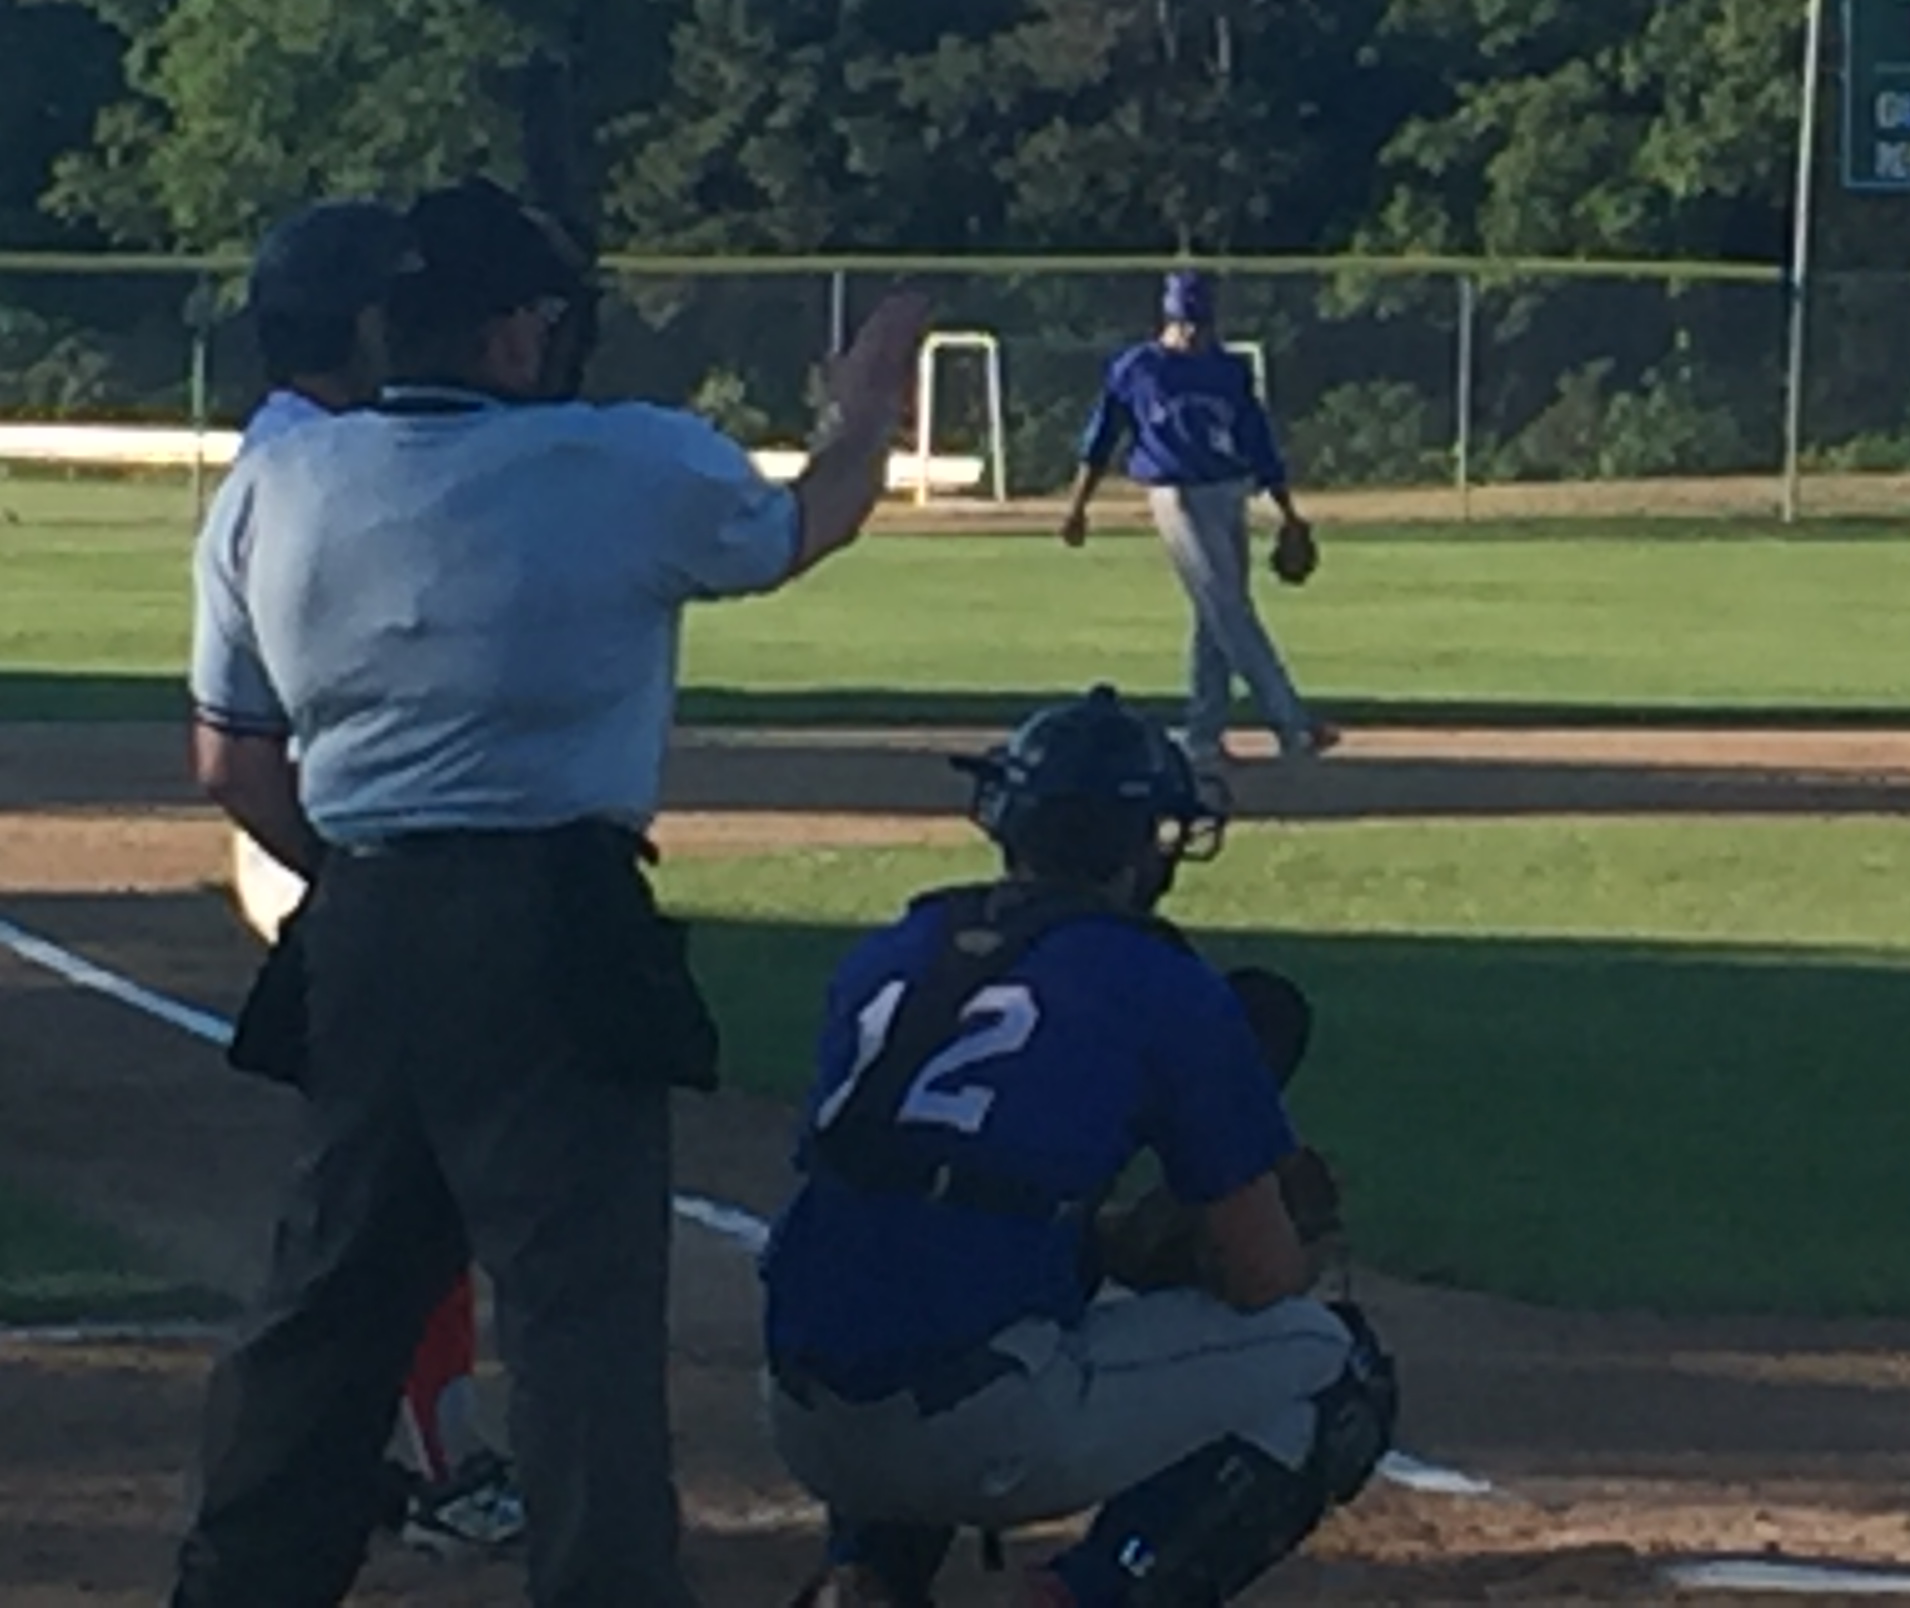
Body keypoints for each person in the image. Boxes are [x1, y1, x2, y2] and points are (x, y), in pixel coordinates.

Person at [173, 177, 928, 1608]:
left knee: (325, 1309)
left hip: (363, 926)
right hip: (553, 922)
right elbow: (804, 525)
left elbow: (232, 762)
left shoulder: (276, 482)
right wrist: (866, 410)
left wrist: (352, 880)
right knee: (577, 1321)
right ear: (519, 333)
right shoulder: (622, 463)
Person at [758, 687, 1396, 1608]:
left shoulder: (893, 949)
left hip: (799, 1418)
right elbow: (1263, 1276)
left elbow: (904, 1190)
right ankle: (1085, 1593)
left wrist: (1094, 1244)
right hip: (981, 1435)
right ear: (1144, 846)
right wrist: (1185, 1259)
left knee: (924, 1274)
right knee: (1339, 1368)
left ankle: (865, 1576)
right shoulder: (1161, 980)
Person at [224, 199, 527, 1558]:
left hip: (328, 825)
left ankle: (407, 1455)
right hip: (345, 835)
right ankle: (438, 1461)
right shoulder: (326, 454)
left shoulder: (301, 446)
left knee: (393, 1186)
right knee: (402, 1188)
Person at [1056, 273, 1335, 768]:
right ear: (1167, 318)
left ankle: (1204, 736)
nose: (1194, 333)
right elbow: (1101, 439)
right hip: (1176, 495)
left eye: (1201, 322)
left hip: (1229, 493)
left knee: (1216, 617)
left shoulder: (1228, 370)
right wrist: (1078, 504)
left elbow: (1258, 441)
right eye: (1185, 322)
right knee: (1228, 608)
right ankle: (1292, 724)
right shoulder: (1138, 368)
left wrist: (1287, 509)